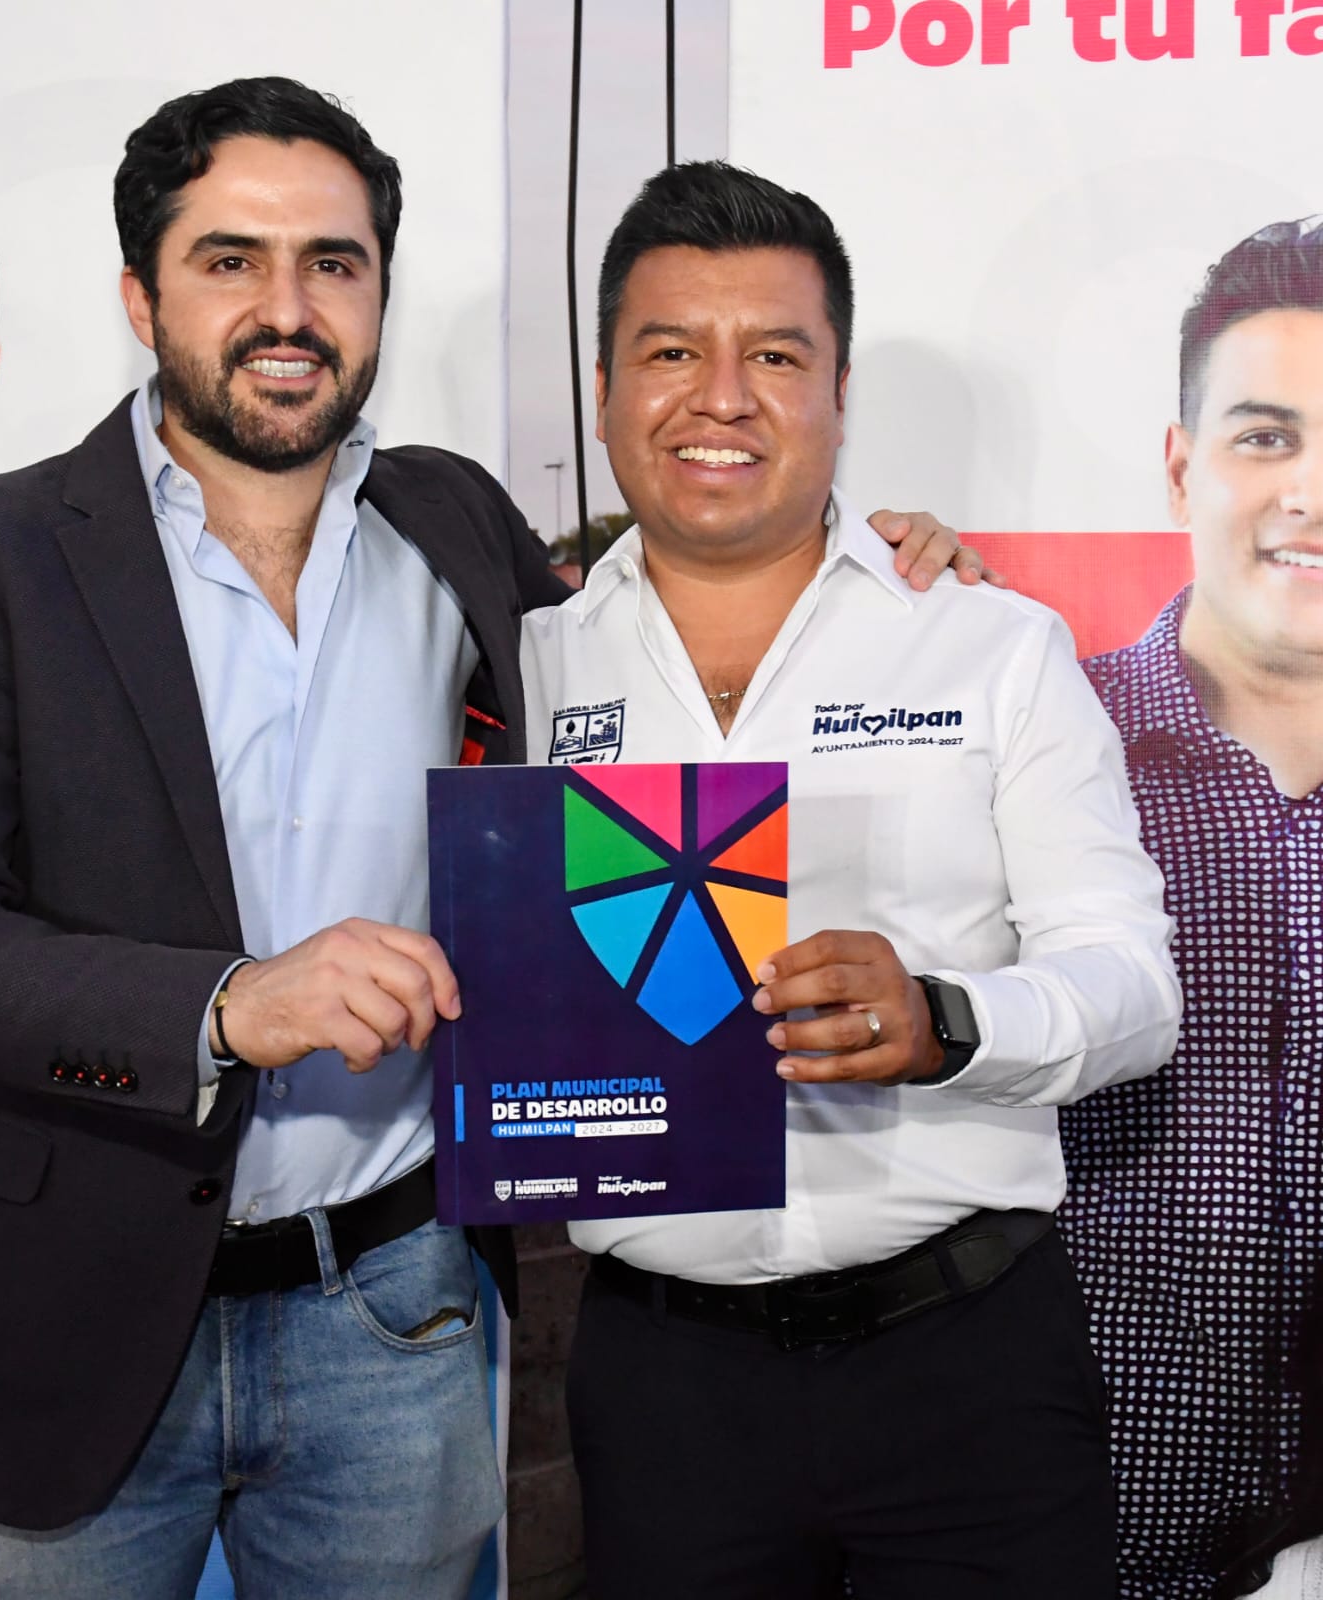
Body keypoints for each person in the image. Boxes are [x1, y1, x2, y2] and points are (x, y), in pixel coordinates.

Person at [0, 79, 983, 1600]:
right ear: (139, 296)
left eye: (335, 262)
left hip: (396, 1313)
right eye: (231, 260)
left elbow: (662, 628)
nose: (288, 308)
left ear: (379, 289)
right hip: (68, 1314)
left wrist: (865, 555)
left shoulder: (457, 524)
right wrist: (227, 1006)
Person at [518, 161, 1184, 1600]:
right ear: (604, 388)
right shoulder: (522, 660)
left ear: (837, 394)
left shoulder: (991, 645)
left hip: (969, 1368)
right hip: (660, 1389)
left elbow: (1137, 986)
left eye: (775, 354)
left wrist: (948, 1020)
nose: (721, 396)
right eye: (671, 351)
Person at [1059, 215, 1323, 1600]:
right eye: (1267, 437)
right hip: (1074, 1521)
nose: (1310, 493)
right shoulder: (1045, 746)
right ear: (1181, 466)